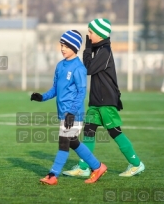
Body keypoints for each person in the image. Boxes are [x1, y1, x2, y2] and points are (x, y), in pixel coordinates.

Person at [63, 18, 145, 177]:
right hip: (96, 101)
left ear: (100, 34)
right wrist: (88, 47)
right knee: (88, 131)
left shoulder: (105, 51)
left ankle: (136, 164)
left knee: (114, 131)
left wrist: (87, 49)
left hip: (106, 101)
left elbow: (88, 68)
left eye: (91, 32)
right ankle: (84, 167)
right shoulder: (99, 49)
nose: (89, 35)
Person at [30, 30, 107, 185]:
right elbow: (55, 89)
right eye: (61, 45)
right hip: (64, 114)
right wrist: (42, 97)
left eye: (65, 45)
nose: (62, 48)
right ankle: (98, 167)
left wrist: (72, 113)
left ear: (74, 47)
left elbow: (81, 93)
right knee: (73, 142)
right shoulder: (60, 66)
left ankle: (53, 175)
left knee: (64, 143)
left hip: (74, 114)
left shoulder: (79, 68)